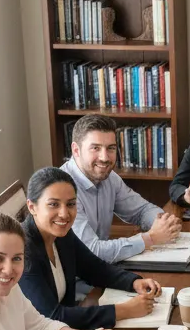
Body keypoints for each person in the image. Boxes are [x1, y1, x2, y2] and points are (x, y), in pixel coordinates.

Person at [19, 166, 162, 328]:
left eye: (71, 204)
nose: (64, 214)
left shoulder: (61, 233)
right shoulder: (23, 251)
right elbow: (52, 316)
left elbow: (93, 268)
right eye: (53, 204)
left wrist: (134, 282)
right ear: (32, 207)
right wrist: (124, 310)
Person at [62, 114, 182, 268]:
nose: (104, 157)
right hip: (76, 277)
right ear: (76, 150)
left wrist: (163, 222)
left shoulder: (109, 177)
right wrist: (150, 238)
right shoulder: (63, 190)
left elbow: (141, 210)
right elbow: (92, 251)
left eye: (110, 148)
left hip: (100, 270)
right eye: (95, 148)